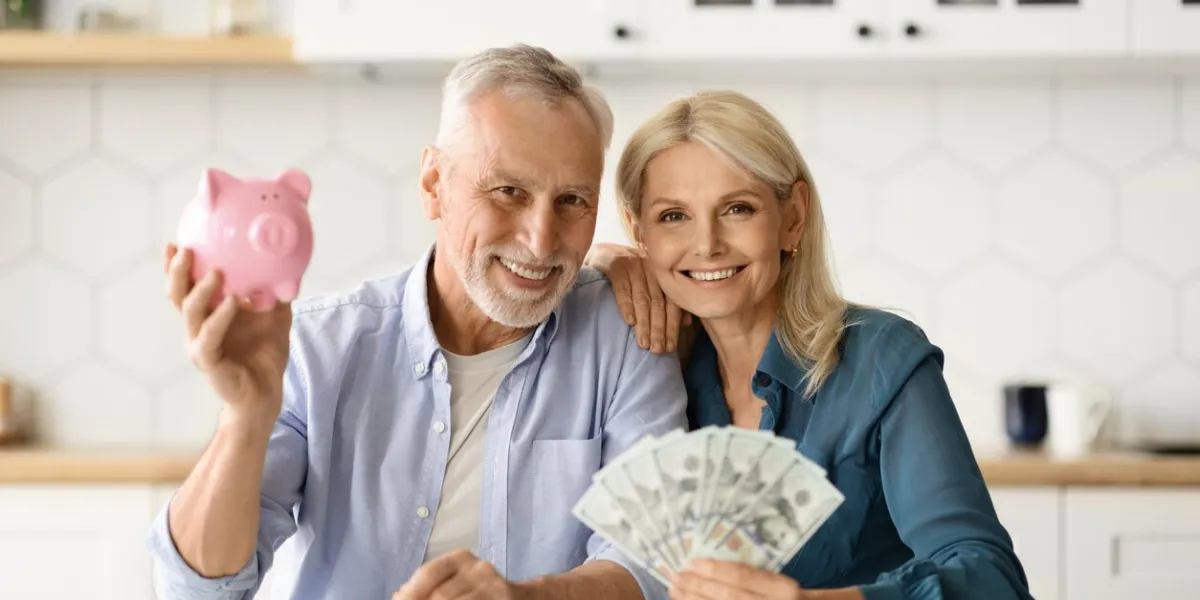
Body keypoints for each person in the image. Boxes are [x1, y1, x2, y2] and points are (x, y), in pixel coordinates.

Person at [147, 45, 687, 600]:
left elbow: (652, 559)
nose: (542, 239)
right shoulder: (318, 348)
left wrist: (525, 598)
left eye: (572, 200)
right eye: (509, 192)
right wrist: (245, 416)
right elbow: (197, 589)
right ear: (434, 184)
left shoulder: (626, 335)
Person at [585, 90, 1034, 600]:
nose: (707, 243)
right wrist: (599, 263)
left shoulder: (880, 360)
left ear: (793, 216)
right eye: (673, 216)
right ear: (639, 230)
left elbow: (993, 580)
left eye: (737, 208)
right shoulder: (647, 372)